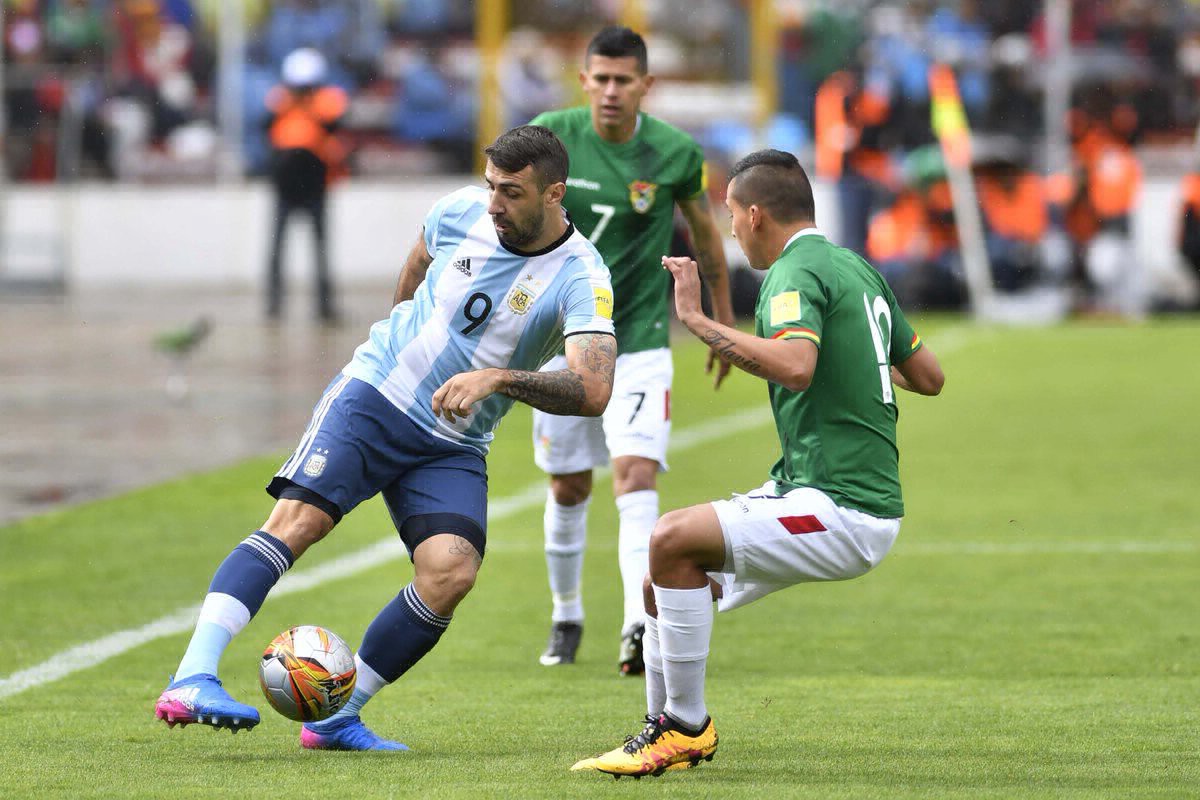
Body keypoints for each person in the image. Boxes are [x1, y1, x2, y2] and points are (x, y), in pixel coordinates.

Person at [154, 125, 618, 751]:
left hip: (453, 443)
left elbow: (592, 389)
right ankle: (191, 677)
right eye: (490, 187)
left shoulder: (581, 274)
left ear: (554, 192)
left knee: (450, 572)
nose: (493, 205)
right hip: (376, 399)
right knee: (298, 523)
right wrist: (397, 341)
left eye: (511, 193)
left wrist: (500, 378)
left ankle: (337, 717)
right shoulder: (458, 211)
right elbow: (418, 261)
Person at [572, 149, 944, 777]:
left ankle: (685, 727)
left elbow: (795, 366)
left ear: (754, 214)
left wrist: (694, 319)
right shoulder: (855, 268)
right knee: (661, 577)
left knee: (669, 536)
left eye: (730, 218)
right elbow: (928, 377)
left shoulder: (794, 273)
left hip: (843, 506)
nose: (731, 232)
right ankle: (657, 733)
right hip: (809, 491)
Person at [527, 26, 735, 675]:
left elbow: (707, 234)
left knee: (636, 476)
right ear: (584, 80)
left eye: (625, 80)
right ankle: (566, 614)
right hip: (560, 338)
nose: (611, 91)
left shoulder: (673, 152)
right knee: (567, 488)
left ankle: (638, 628)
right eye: (602, 78)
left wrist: (722, 326)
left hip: (640, 336)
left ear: (648, 85)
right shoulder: (550, 138)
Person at [264, 47, 348, 323]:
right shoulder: (280, 105)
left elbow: (334, 126)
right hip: (286, 189)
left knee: (320, 249)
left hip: (314, 188)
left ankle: (324, 307)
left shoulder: (326, 105)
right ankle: (274, 306)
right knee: (278, 249)